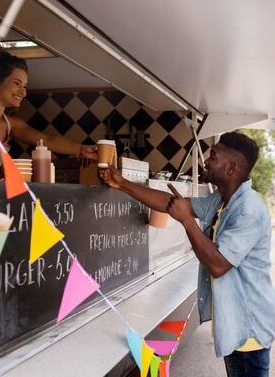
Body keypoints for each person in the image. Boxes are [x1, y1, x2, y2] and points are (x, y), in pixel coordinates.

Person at [99, 131, 275, 377]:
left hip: (248, 331)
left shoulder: (248, 211)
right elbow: (169, 202)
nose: (206, 160)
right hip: (236, 325)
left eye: (213, 156)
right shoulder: (223, 200)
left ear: (232, 167)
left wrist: (186, 221)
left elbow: (218, 264)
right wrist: (124, 184)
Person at [0, 51, 97, 180]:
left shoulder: (11, 124)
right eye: (16, 83)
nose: (23, 92)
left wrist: (83, 150)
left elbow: (47, 140)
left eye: (25, 86)